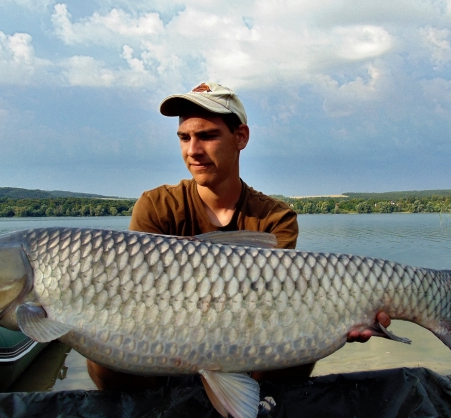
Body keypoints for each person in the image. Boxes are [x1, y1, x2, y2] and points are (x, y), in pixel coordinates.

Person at [87, 82, 391, 389]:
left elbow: (273, 309)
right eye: (184, 137)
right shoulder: (157, 206)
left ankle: (257, 416)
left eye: (207, 136)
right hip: (166, 342)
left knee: (302, 342)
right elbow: (142, 300)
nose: (193, 150)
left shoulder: (275, 218)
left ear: (240, 137)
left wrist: (340, 317)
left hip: (249, 339)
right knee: (99, 355)